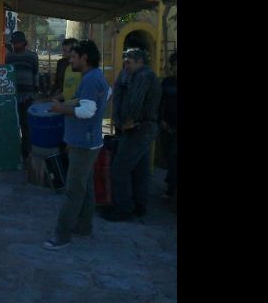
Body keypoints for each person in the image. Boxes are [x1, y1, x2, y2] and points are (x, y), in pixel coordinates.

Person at [42, 40, 110, 250]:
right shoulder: (96, 77)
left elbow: (87, 111)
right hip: (89, 141)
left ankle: (61, 236)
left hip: (83, 143)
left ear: (84, 58)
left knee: (73, 191)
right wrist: (68, 104)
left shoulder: (90, 79)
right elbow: (105, 96)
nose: (69, 60)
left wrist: (60, 109)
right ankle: (83, 226)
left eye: (73, 57)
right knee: (85, 188)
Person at [103, 48, 163, 221]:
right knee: (139, 170)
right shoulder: (132, 74)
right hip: (142, 128)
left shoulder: (144, 76)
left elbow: (134, 103)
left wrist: (125, 123)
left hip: (138, 128)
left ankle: (123, 209)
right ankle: (139, 206)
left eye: (129, 62)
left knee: (120, 169)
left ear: (139, 62)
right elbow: (119, 93)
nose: (126, 65)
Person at [5, 31, 38, 161]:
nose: (15, 45)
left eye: (18, 42)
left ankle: (26, 152)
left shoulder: (32, 56)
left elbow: (35, 73)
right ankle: (14, 152)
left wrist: (36, 91)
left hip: (28, 96)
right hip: (13, 96)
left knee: (26, 125)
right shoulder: (9, 57)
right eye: (14, 43)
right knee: (13, 124)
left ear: (24, 43)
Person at [159, 51, 177, 208]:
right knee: (169, 157)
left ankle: (170, 190)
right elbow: (160, 102)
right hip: (167, 126)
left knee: (174, 158)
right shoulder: (167, 82)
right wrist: (162, 120)